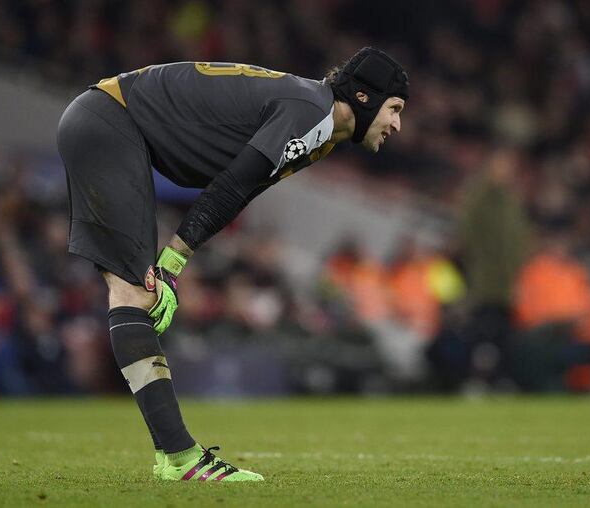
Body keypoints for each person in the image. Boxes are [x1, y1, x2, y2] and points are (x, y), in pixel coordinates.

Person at [56, 47, 408, 482]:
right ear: (364, 97)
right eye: (394, 108)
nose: (397, 124)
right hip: (110, 120)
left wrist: (174, 261)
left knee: (136, 293)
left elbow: (241, 192)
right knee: (135, 293)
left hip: (110, 119)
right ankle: (180, 458)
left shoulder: (319, 126)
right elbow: (232, 185)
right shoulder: (309, 114)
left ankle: (174, 456)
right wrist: (171, 263)